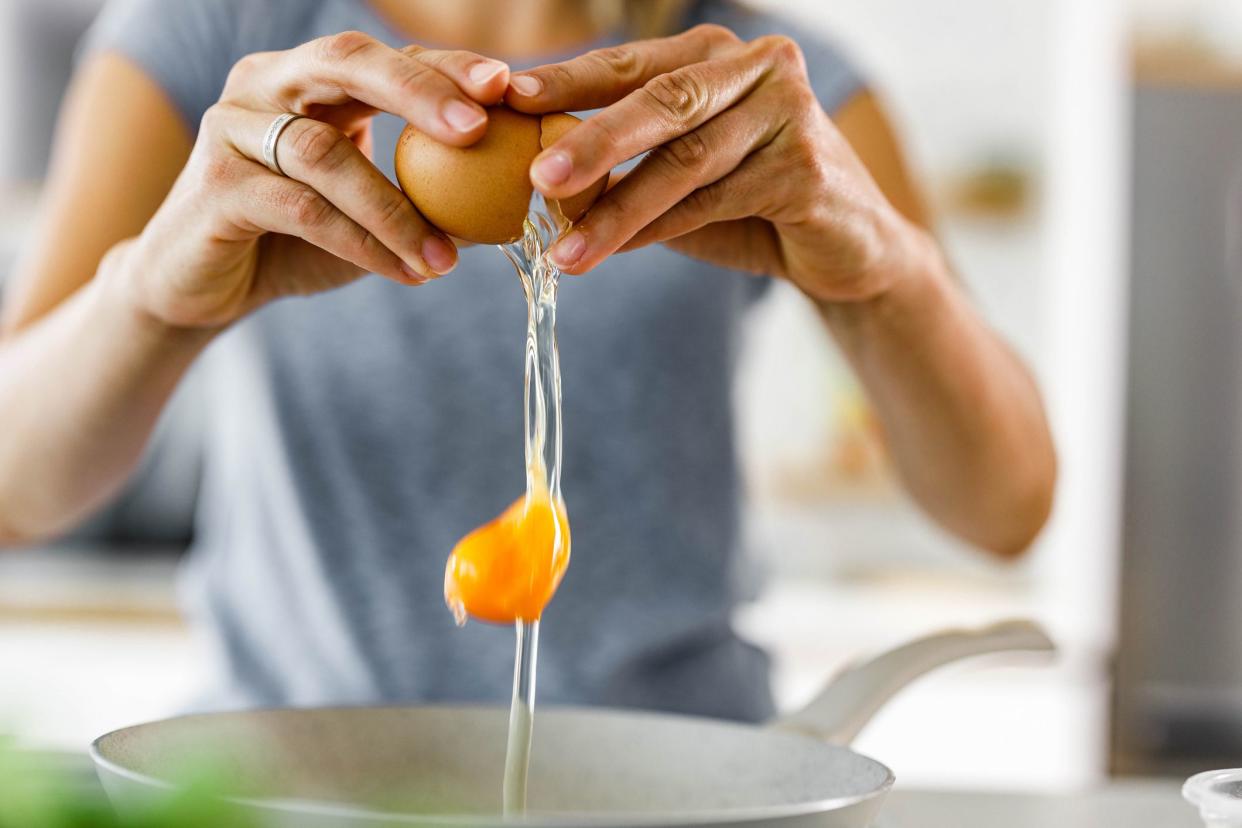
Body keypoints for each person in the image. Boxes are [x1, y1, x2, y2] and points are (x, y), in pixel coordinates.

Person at [0, 0, 1056, 720]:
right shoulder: (228, 33)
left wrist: (885, 280)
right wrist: (152, 298)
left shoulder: (756, 76)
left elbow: (1005, 505)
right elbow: (14, 488)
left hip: (668, 786)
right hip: (296, 778)